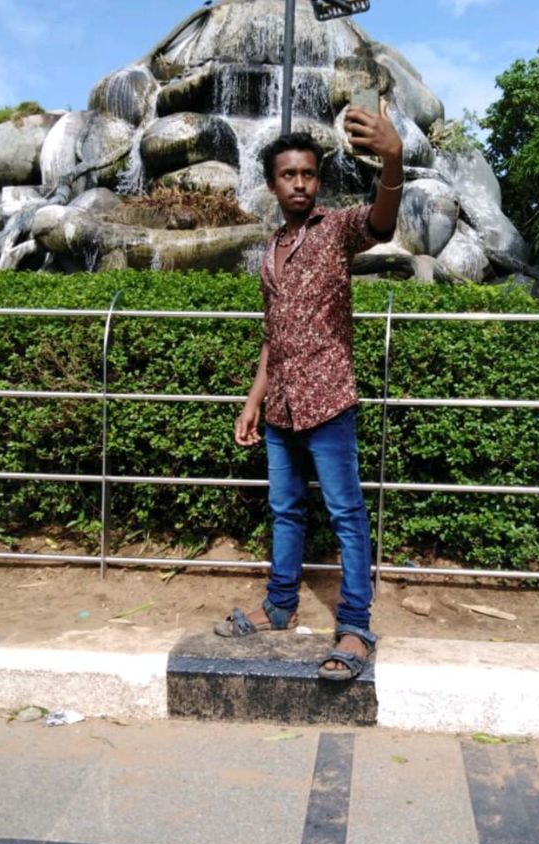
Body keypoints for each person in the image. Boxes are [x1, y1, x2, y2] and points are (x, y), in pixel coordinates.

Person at [214, 103, 404, 680]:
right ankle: (280, 605)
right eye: (289, 175)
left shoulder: (336, 230)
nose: (300, 183)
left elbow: (382, 221)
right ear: (272, 183)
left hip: (329, 401)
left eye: (308, 174)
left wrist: (393, 159)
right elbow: (273, 336)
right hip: (281, 406)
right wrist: (253, 401)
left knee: (347, 514)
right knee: (285, 510)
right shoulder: (269, 250)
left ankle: (355, 625)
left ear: (318, 181)